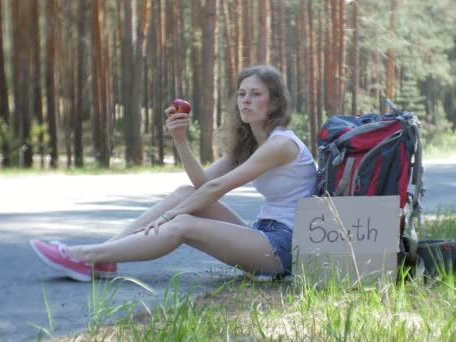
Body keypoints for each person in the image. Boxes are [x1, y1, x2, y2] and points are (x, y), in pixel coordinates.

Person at [30, 65, 317, 282]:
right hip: (262, 233)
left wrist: (170, 216)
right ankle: (106, 255)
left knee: (182, 224)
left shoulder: (281, 144)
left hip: (285, 247)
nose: (246, 100)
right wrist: (180, 140)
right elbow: (201, 184)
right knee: (185, 194)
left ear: (276, 103)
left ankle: (85, 256)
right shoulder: (251, 144)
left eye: (256, 94)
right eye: (242, 94)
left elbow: (215, 189)